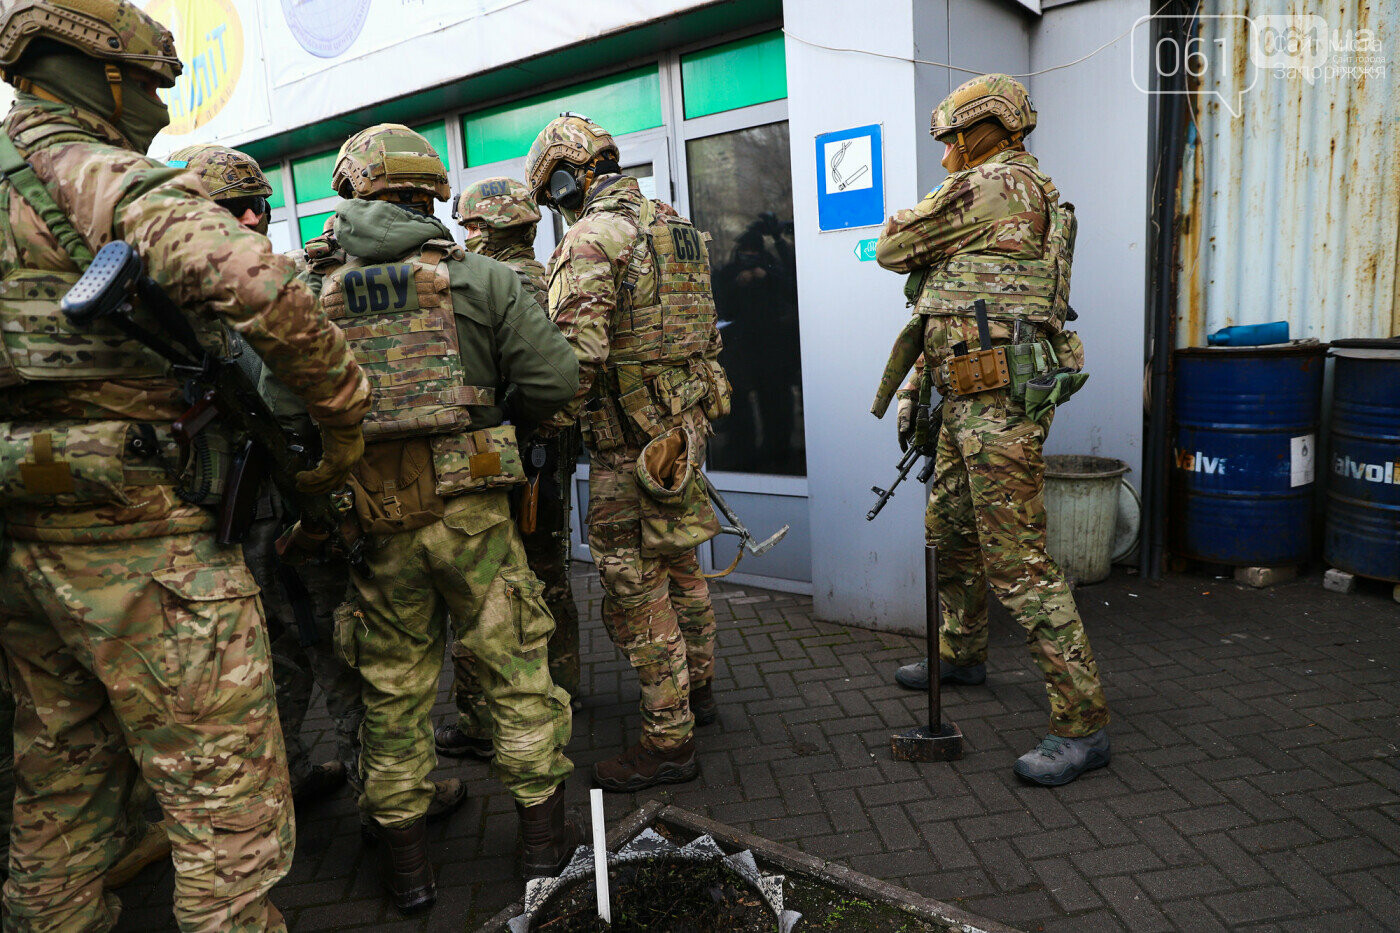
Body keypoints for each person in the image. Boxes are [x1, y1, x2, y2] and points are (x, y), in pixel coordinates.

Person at [0, 2, 371, 930]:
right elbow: (257, 282)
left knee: (58, 794)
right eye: (154, 86)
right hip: (147, 552)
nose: (161, 109)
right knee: (227, 823)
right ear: (107, 76)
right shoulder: (87, 170)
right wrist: (344, 413)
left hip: (26, 551)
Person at [317, 124, 580, 913]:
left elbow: (274, 397)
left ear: (354, 191)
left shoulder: (311, 287)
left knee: (393, 691)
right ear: (432, 194)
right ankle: (542, 855)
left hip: (375, 514)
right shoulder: (483, 279)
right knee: (514, 668)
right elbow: (555, 379)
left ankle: (410, 875)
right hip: (473, 512)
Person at [874, 73, 1110, 787]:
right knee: (948, 529)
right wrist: (922, 382)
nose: (946, 151)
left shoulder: (994, 186)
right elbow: (953, 300)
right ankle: (964, 653)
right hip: (964, 395)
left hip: (996, 402)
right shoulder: (1023, 191)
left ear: (982, 129)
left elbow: (892, 248)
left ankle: (1082, 723)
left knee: (1018, 564)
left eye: (952, 137)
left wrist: (903, 226)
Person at [525, 113, 732, 792]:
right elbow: (703, 334)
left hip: (626, 449)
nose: (556, 204)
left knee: (635, 592)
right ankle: (698, 693)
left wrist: (542, 427)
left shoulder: (591, 238)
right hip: (682, 433)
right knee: (682, 568)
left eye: (552, 190)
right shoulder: (677, 225)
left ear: (565, 176)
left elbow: (572, 360)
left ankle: (669, 741)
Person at [167, 142, 359, 804]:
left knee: (285, 652)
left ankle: (306, 776)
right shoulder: (175, 306)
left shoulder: (242, 289)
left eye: (260, 207)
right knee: (326, 648)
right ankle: (384, 803)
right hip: (237, 512)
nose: (251, 219)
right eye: (232, 209)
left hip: (262, 501)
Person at [435, 176, 584, 762]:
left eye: (472, 225)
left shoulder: (482, 284)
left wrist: (508, 420)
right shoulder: (552, 272)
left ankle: (480, 720)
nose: (465, 235)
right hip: (553, 446)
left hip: (504, 449)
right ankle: (565, 686)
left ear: (492, 228)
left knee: (487, 581)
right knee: (552, 572)